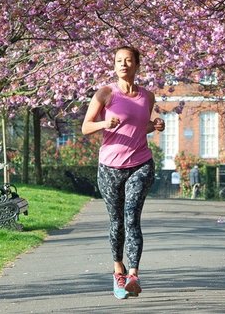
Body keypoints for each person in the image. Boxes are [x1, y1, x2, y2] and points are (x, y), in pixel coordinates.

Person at [81, 45, 165, 300]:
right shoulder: (106, 93)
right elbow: (85, 127)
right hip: (109, 167)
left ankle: (134, 275)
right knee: (117, 221)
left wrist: (155, 125)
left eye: (129, 60)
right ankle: (118, 271)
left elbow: (140, 127)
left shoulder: (147, 97)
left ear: (137, 65)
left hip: (140, 163)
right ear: (114, 65)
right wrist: (104, 123)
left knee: (131, 218)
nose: (124, 64)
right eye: (119, 60)